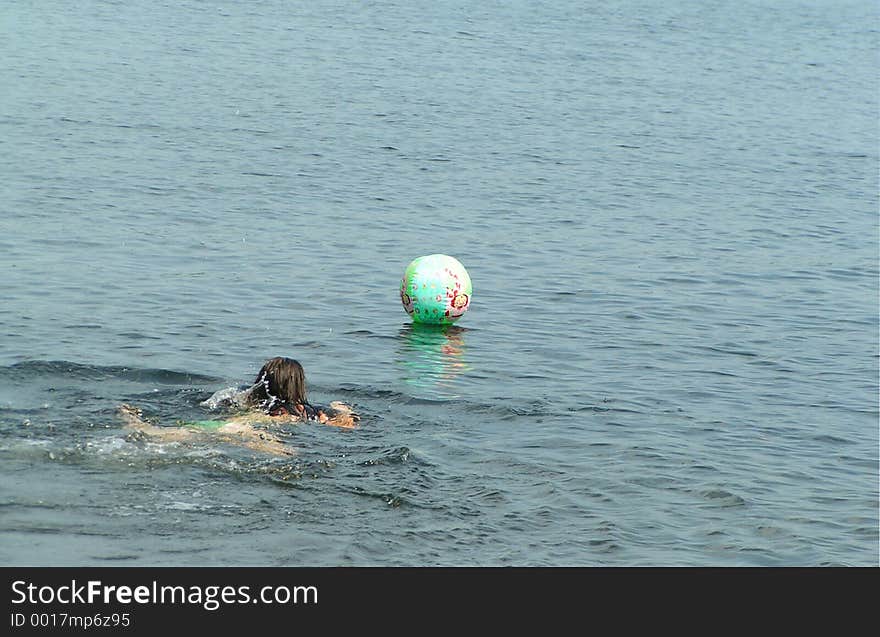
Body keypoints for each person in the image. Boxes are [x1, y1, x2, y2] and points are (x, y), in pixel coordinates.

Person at [119, 357, 358, 457]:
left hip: (263, 429)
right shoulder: (314, 412)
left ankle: (147, 430)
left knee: (215, 430)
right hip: (298, 433)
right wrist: (342, 408)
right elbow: (348, 423)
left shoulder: (266, 408)